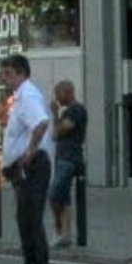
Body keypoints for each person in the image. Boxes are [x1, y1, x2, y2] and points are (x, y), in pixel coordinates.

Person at [0, 54, 52, 264]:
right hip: (25, 168)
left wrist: (29, 154)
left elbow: (41, 123)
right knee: (26, 221)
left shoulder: (28, 95)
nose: (5, 79)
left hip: (32, 167)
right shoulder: (19, 97)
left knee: (30, 221)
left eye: (9, 74)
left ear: (21, 73)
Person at [48, 80, 87, 248]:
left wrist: (55, 114)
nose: (57, 98)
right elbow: (55, 135)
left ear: (67, 92)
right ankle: (65, 233)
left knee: (54, 194)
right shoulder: (67, 112)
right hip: (63, 157)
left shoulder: (76, 111)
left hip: (69, 159)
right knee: (63, 197)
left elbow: (59, 131)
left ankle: (60, 230)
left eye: (58, 93)